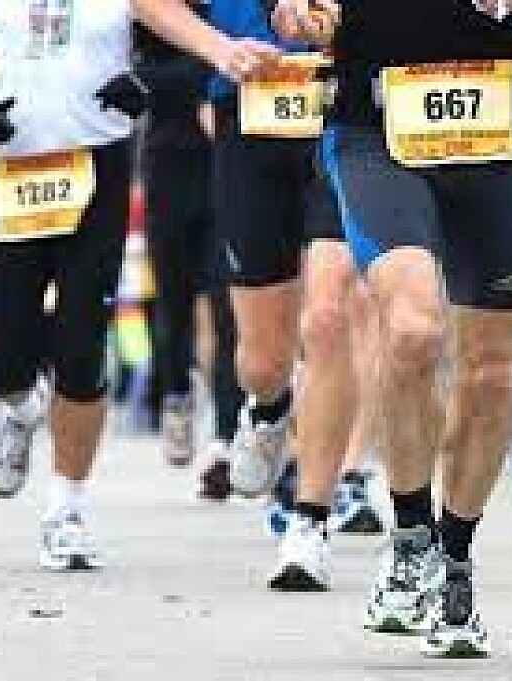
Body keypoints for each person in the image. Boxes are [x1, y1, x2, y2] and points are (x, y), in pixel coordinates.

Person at [268, 0, 512, 659]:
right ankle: (412, 538)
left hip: (490, 133)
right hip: (377, 129)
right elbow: (292, 12)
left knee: (491, 366)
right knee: (412, 329)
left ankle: (456, 561)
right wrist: (295, 13)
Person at [0, 0, 279, 571]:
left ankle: (67, 509)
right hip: (9, 168)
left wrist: (156, 80)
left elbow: (177, 29)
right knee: (5, 355)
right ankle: (21, 410)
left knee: (81, 347)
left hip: (95, 165)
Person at [208, 0, 376, 592]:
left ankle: (311, 519)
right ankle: (268, 408)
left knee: (329, 315)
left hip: (348, 112)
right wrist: (217, 49)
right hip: (252, 111)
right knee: (262, 362)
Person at [134, 3, 245, 499]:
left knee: (228, 308)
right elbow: (138, 79)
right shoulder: (158, 11)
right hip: (169, 164)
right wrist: (206, 78)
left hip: (228, 163)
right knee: (174, 302)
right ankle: (176, 391)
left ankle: (225, 438)